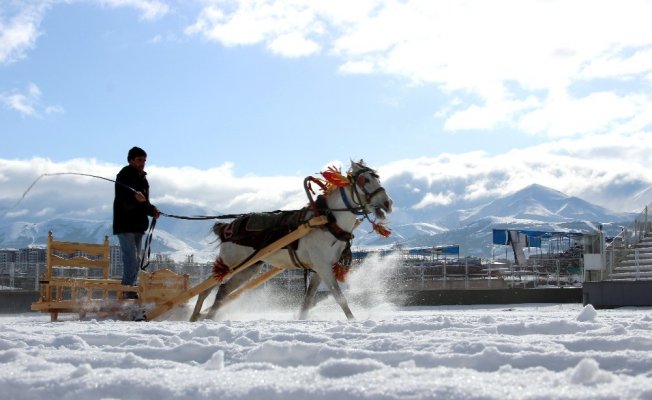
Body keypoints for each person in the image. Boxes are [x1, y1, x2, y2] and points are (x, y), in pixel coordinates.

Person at [113, 146, 160, 296]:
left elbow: (144, 203)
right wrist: (135, 198)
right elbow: (123, 202)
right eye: (139, 160)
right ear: (131, 160)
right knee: (131, 259)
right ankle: (129, 292)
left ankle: (130, 290)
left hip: (138, 225)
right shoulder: (123, 176)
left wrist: (152, 210)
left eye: (144, 160)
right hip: (125, 225)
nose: (142, 163)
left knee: (137, 259)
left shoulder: (143, 179)